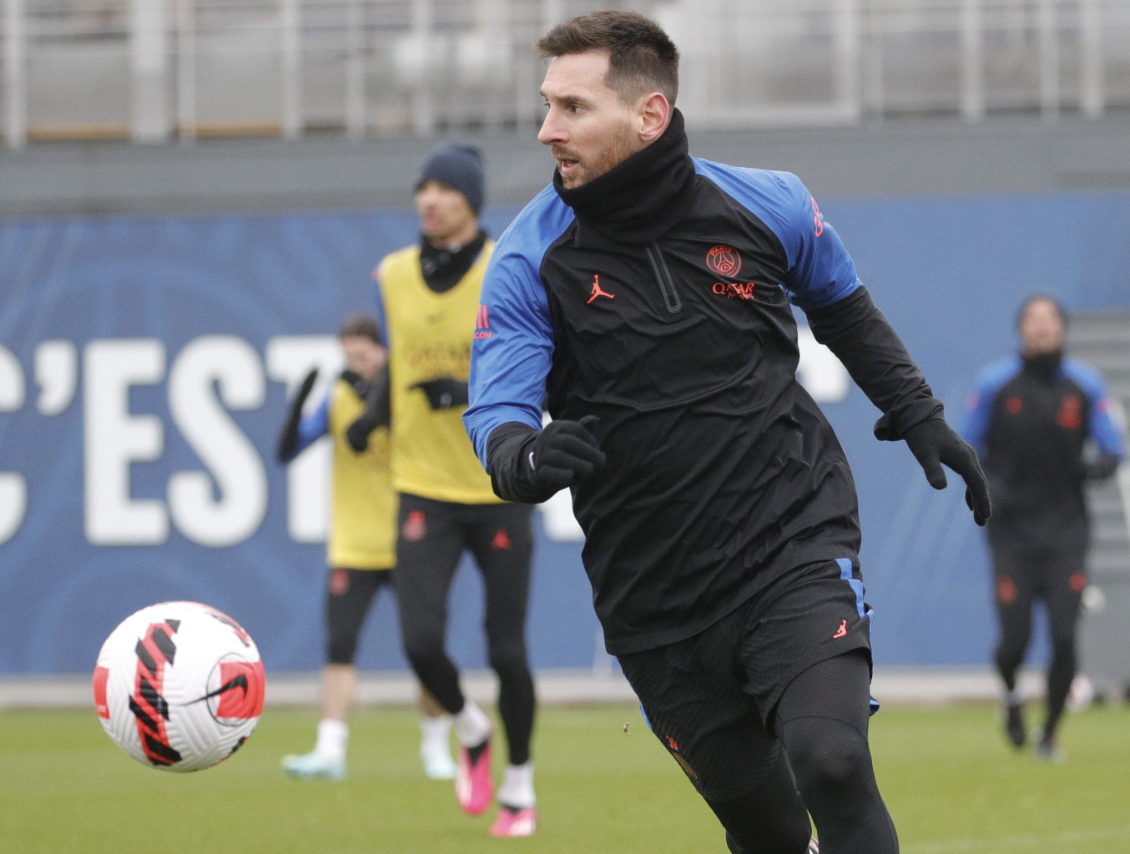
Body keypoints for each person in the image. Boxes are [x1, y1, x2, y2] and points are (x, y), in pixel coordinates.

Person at [463, 11, 991, 854]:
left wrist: (919, 411)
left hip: (792, 540)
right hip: (653, 597)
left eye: (572, 107)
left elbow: (842, 307)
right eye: (547, 105)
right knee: (769, 830)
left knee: (832, 762)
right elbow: (497, 415)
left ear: (650, 114)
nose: (546, 129)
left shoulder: (767, 201)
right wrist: (525, 456)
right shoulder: (530, 259)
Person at [349, 143, 539, 837]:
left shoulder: (507, 266)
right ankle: (469, 725)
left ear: (471, 200)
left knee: (507, 651)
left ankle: (519, 785)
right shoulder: (393, 274)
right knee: (420, 642)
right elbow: (402, 363)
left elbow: (533, 357)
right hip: (422, 487)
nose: (429, 199)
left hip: (498, 485)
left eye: (444, 188)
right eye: (422, 187)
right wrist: (374, 413)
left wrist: (464, 391)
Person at [276, 312, 457, 782]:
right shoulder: (338, 397)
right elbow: (288, 450)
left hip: (410, 542)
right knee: (339, 645)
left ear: (384, 352)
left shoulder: (407, 396)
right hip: (353, 545)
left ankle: (436, 748)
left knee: (426, 648)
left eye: (363, 356)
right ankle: (329, 749)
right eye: (348, 357)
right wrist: (298, 406)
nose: (355, 365)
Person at [962, 294, 1124, 762]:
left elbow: (1112, 448)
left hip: (1066, 532)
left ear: (1062, 328)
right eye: (1033, 319)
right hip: (1011, 533)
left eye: (1050, 319)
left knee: (1064, 636)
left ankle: (1049, 735)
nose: (1042, 327)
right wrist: (989, 487)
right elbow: (966, 444)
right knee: (1014, 641)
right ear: (1020, 329)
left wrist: (1096, 468)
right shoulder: (996, 383)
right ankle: (1012, 697)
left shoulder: (1084, 385)